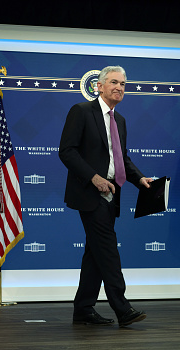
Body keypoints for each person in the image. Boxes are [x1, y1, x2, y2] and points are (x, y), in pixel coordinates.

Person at [59, 65, 152, 327]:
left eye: (123, 84)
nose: (119, 88)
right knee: (108, 248)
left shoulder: (119, 120)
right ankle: (122, 309)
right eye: (114, 82)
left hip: (113, 193)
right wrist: (94, 177)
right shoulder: (81, 111)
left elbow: (122, 159)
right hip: (90, 192)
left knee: (95, 252)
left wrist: (140, 178)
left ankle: (83, 310)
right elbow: (67, 151)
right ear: (99, 86)